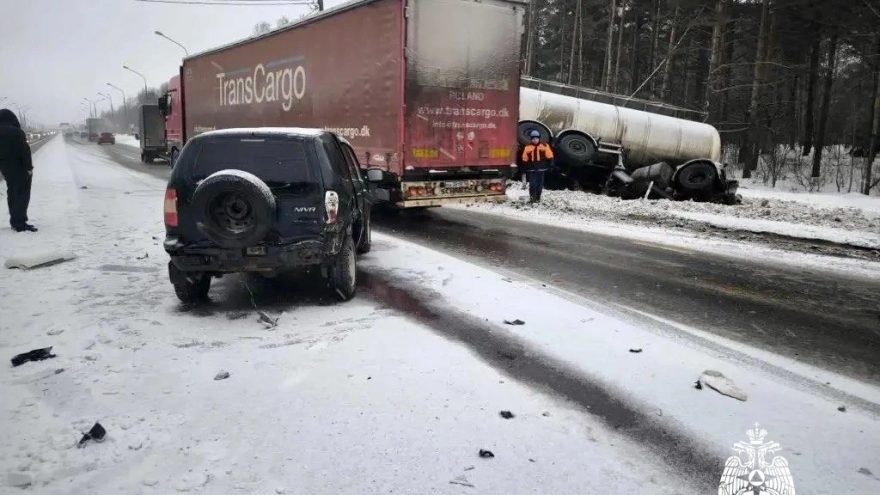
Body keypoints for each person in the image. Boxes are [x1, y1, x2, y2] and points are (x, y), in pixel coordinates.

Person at [0, 109, 36, 232]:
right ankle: (20, 223)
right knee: (22, 195)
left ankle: (14, 221)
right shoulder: (17, 132)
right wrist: (29, 167)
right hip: (20, 168)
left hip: (6, 168)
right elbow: (25, 151)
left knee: (12, 193)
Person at [520, 129, 554, 203]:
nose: (535, 140)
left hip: (541, 169)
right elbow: (524, 159)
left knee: (539, 185)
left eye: (536, 138)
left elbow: (550, 156)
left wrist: (551, 164)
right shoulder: (527, 147)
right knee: (532, 185)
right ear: (531, 139)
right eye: (533, 138)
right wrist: (523, 168)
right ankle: (532, 198)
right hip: (532, 169)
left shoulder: (545, 146)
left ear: (539, 138)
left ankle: (538, 199)